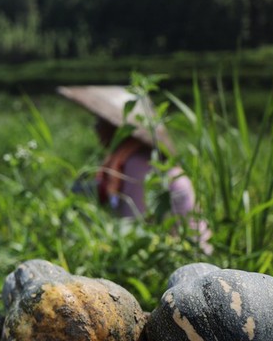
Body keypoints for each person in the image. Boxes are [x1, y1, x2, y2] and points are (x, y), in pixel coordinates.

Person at [58, 85, 211, 248]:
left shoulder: (135, 163)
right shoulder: (129, 158)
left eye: (101, 122)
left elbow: (133, 224)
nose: (96, 129)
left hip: (187, 252)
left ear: (116, 128)